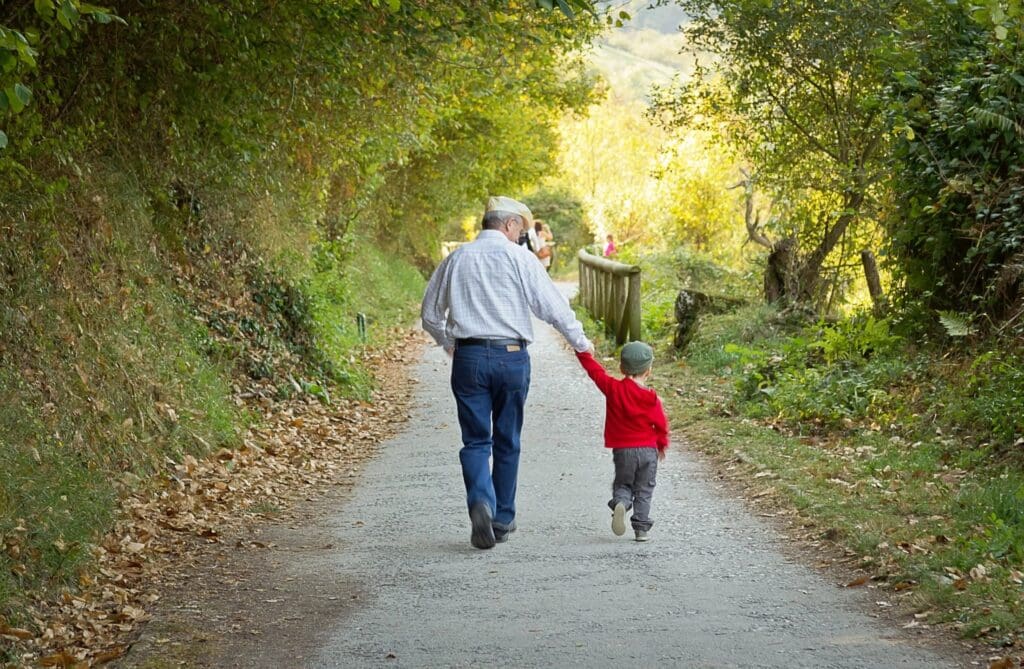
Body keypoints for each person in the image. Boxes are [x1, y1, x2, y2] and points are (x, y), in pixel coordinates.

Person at [421, 196, 593, 550]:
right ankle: (502, 518)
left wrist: (449, 342)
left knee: (475, 440)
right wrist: (581, 343)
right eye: (521, 230)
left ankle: (481, 502)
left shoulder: (457, 258)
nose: (521, 237)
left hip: (469, 358)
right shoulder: (521, 259)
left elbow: (430, 315)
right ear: (509, 225)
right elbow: (553, 309)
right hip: (512, 357)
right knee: (507, 439)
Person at [575, 341, 669, 542]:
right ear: (648, 370)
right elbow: (661, 424)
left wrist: (581, 351)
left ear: (621, 368)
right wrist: (661, 445)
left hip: (623, 450)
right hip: (648, 450)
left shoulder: (613, 389)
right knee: (644, 488)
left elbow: (595, 372)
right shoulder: (651, 398)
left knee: (624, 483)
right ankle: (641, 530)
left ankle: (621, 503)